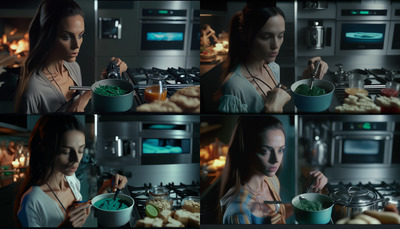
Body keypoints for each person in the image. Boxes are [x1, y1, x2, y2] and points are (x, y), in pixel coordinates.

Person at [15, 0, 127, 114]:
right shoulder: (34, 89)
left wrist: (105, 82)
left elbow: (78, 107)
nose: (76, 45)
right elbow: (30, 131)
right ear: (48, 36)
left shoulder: (73, 67)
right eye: (66, 37)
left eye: (80, 35)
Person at [14, 116, 128, 227]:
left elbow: (80, 216)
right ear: (47, 149)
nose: (76, 159)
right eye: (66, 151)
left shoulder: (71, 179)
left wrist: (104, 189)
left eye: (80, 150)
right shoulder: (32, 200)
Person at [217, 3, 329, 113]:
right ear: (244, 34)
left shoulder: (273, 67)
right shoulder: (234, 88)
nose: (276, 45)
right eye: (266, 37)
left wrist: (307, 81)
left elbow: (279, 98)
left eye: (280, 36)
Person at [219, 116, 328, 224]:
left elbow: (279, 215)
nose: (276, 160)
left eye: (281, 150)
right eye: (265, 151)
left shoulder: (272, 181)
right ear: (246, 151)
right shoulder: (238, 214)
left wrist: (311, 199)